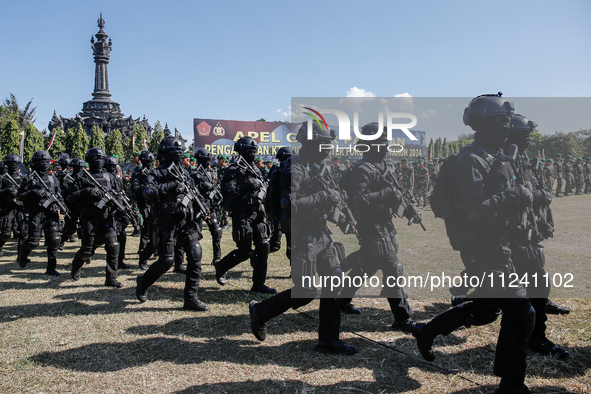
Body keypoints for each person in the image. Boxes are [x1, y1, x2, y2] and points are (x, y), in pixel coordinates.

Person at [413, 94, 535, 394]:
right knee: (522, 311)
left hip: (499, 242)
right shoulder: (471, 160)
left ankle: (427, 331)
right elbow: (474, 211)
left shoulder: (496, 157)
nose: (508, 128)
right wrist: (516, 194)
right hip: (482, 246)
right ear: (481, 124)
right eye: (501, 122)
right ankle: (511, 384)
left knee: (486, 310)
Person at [248, 122, 357, 355]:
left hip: (321, 234)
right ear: (312, 144)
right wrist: (323, 196)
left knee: (334, 281)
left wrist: (342, 213)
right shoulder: (294, 168)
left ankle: (328, 340)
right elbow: (291, 205)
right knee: (306, 292)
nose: (329, 149)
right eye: (324, 144)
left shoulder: (319, 166)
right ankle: (260, 312)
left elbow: (332, 196)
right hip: (302, 236)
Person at [337, 122, 416, 332]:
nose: (385, 147)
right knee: (392, 267)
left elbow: (395, 192)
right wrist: (386, 194)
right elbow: (359, 199)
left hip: (384, 223)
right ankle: (403, 317)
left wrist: (407, 208)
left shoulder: (384, 166)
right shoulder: (362, 169)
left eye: (385, 143)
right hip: (370, 225)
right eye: (381, 143)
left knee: (367, 265)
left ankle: (341, 299)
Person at [505, 115, 568, 360]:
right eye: (523, 134)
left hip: (528, 233)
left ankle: (536, 334)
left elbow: (530, 198)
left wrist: (543, 220)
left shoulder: (522, 160)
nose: (528, 138)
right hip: (510, 235)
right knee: (493, 303)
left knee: (535, 283)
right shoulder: (505, 160)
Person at [135, 137, 209, 311]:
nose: (178, 155)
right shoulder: (156, 173)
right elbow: (147, 192)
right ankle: (143, 283)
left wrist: (204, 208)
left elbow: (195, 192)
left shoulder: (184, 173)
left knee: (195, 253)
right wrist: (171, 185)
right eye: (174, 152)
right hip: (166, 222)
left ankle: (191, 298)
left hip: (186, 220)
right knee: (166, 261)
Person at [214, 137, 275, 294]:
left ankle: (258, 284)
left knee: (263, 247)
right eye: (250, 151)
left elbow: (263, 187)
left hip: (258, 212)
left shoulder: (255, 170)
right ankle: (221, 266)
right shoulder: (232, 170)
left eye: (254, 152)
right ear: (241, 151)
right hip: (242, 213)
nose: (253, 155)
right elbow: (229, 195)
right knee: (245, 251)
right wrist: (247, 184)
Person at [67, 148, 124, 287]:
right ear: (88, 160)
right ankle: (77, 264)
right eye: (95, 158)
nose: (98, 161)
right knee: (87, 251)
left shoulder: (110, 177)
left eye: (101, 158)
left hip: (107, 217)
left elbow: (119, 194)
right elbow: (70, 197)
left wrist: (118, 204)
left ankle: (111, 278)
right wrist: (87, 191)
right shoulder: (82, 177)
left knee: (113, 246)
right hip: (89, 218)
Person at [17, 151, 65, 276]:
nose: (45, 164)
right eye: (42, 161)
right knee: (33, 241)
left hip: (51, 212)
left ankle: (51, 268)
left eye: (47, 161)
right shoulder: (29, 178)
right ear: (35, 163)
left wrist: (63, 206)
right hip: (37, 212)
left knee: (54, 240)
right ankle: (23, 254)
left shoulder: (53, 178)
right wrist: (33, 192)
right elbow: (19, 196)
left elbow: (59, 194)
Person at [192, 148, 223, 265]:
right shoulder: (194, 174)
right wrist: (203, 185)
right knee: (196, 235)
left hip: (210, 207)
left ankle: (217, 258)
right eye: (206, 160)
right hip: (198, 208)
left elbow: (215, 187)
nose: (208, 163)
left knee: (216, 231)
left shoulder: (210, 174)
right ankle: (194, 258)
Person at [104, 156, 132, 270]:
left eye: (113, 166)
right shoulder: (100, 178)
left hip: (117, 211)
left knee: (122, 235)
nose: (112, 168)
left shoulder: (117, 179)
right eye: (109, 166)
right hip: (103, 213)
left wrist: (123, 205)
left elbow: (120, 193)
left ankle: (119, 261)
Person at [132, 151, 156, 270]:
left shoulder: (154, 172)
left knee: (155, 229)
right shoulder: (138, 173)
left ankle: (153, 249)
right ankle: (143, 253)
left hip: (154, 204)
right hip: (144, 204)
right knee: (147, 229)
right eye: (148, 161)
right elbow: (134, 189)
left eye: (151, 162)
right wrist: (145, 187)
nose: (150, 164)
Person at [266, 146, 292, 256]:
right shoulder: (278, 172)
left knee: (288, 243)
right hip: (280, 212)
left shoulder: (281, 172)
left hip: (281, 212)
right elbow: (271, 193)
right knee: (278, 244)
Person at [0, 154, 26, 258]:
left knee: (22, 232)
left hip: (20, 207)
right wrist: (6, 191)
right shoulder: (3, 178)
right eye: (12, 164)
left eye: (16, 164)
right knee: (6, 232)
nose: (14, 166)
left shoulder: (22, 177)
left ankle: (21, 255)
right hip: (7, 208)